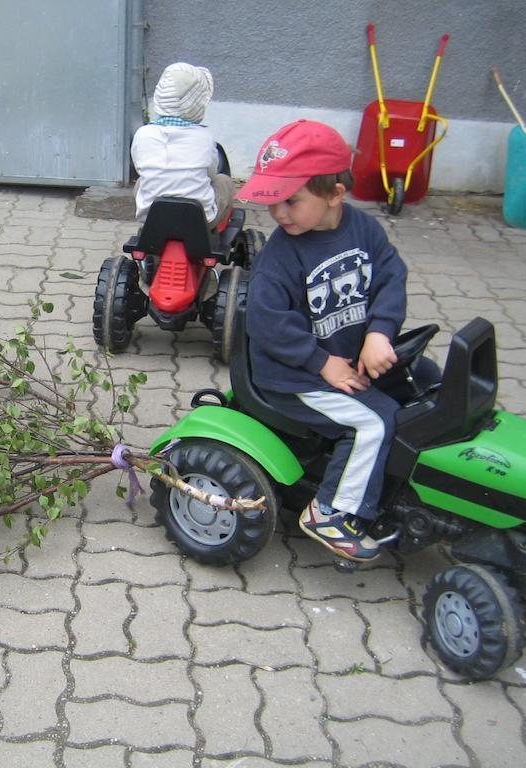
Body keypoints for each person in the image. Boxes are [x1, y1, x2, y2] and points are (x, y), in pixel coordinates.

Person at [237, 119, 408, 562]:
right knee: (372, 421)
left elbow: (391, 276)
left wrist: (379, 332)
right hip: (293, 375)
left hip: (346, 356)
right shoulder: (281, 256)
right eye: (274, 202)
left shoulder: (364, 231)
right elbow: (267, 322)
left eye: (291, 201)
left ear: (335, 194)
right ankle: (332, 511)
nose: (279, 214)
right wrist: (321, 363)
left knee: (419, 382)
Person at [130, 63, 235, 229]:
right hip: (200, 221)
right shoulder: (204, 138)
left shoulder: (143, 134)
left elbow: (140, 167)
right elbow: (211, 173)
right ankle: (218, 233)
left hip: (152, 218)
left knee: (141, 182)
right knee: (223, 181)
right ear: (198, 103)